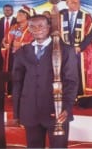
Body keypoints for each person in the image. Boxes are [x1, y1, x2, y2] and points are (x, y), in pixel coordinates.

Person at [12, 15, 79, 148]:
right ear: (28, 29)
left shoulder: (65, 50)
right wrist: (17, 113)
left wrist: (66, 107)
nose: (37, 29)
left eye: (41, 25)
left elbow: (71, 81)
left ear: (49, 27)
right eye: (32, 26)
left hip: (56, 111)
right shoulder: (22, 52)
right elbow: (17, 83)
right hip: (30, 111)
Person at [59, 0, 92, 99]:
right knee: (67, 72)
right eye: (72, 2)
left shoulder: (86, 17)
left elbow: (91, 34)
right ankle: (69, 94)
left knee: (80, 72)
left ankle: (80, 94)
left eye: (77, 2)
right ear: (67, 3)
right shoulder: (61, 17)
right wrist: (65, 47)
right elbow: (57, 33)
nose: (76, 4)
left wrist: (80, 47)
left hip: (82, 51)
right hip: (66, 50)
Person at [1, 5, 34, 95]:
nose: (17, 16)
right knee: (12, 73)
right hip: (12, 55)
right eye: (17, 15)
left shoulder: (31, 28)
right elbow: (5, 39)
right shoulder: (14, 27)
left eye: (20, 15)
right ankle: (11, 92)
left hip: (25, 56)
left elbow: (34, 42)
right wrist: (5, 44)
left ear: (26, 16)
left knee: (22, 75)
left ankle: (24, 93)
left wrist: (22, 44)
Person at [0, 4, 17, 69]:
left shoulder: (16, 22)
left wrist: (12, 44)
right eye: (5, 10)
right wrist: (0, 43)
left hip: (13, 46)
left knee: (12, 64)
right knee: (2, 64)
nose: (7, 11)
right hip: (1, 45)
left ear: (12, 11)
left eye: (8, 10)